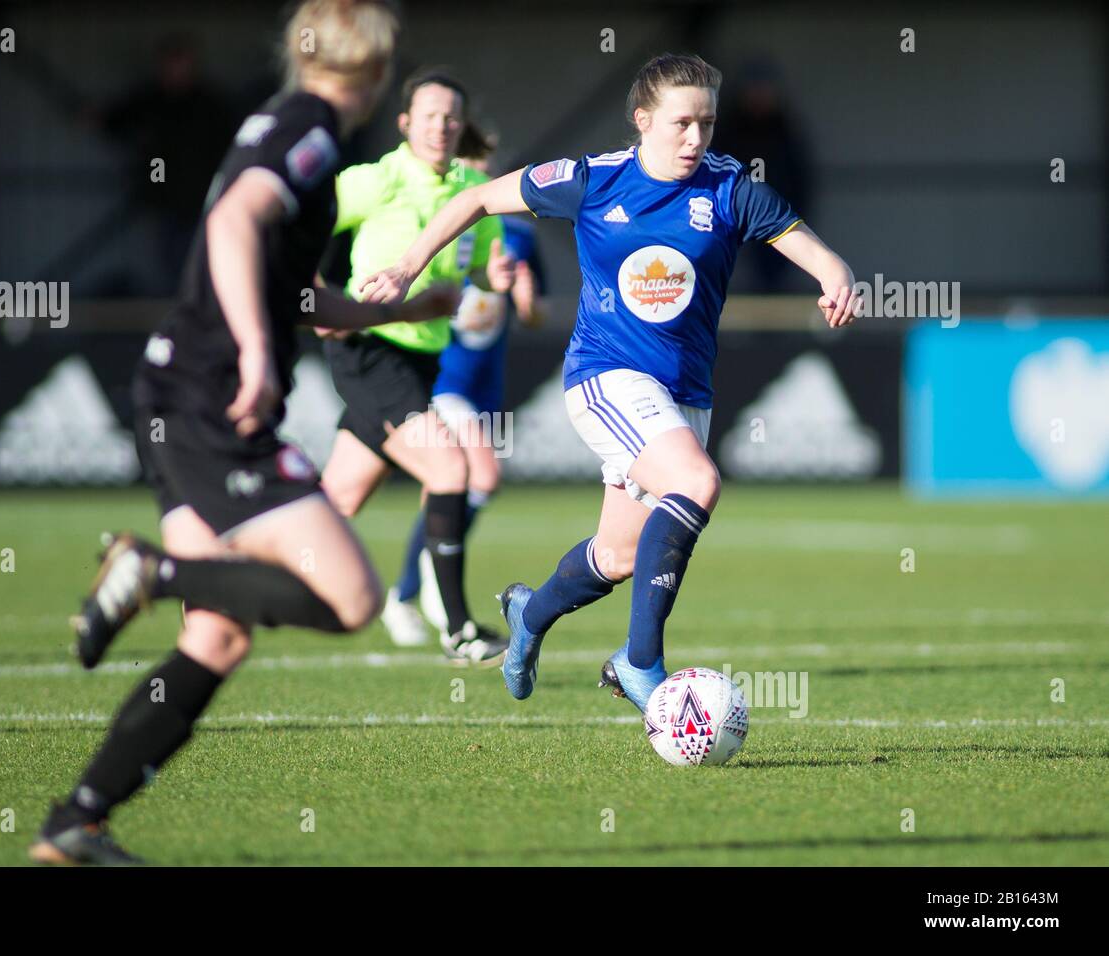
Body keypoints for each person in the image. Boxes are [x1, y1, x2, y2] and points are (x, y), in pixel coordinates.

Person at [28, 0, 454, 865]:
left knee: (216, 633)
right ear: (375, 74)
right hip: (212, 398)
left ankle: (76, 821)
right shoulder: (312, 130)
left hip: (174, 387)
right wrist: (259, 355)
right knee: (351, 599)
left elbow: (300, 296)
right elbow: (232, 223)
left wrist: (405, 306)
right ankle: (149, 570)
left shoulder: (281, 120)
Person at [359, 53, 860, 711]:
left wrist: (835, 275)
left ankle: (530, 616)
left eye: (706, 124)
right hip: (606, 377)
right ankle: (640, 662)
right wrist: (404, 267)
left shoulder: (730, 187)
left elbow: (805, 242)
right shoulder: (592, 180)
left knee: (618, 557)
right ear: (642, 119)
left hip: (684, 393)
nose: (695, 139)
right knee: (698, 482)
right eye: (681, 123)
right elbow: (478, 198)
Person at [318, 68, 516, 663]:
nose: (441, 126)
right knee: (451, 470)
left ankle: (214, 576)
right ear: (405, 123)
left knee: (335, 502)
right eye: (429, 115)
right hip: (369, 352)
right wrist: (319, 299)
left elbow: (478, 266)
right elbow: (293, 225)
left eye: (451, 117)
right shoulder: (374, 181)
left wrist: (493, 277)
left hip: (424, 360)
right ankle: (458, 628)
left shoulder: (473, 191)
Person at [381, 152, 547, 645]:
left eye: (482, 168)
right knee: (480, 475)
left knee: (447, 487)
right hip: (443, 378)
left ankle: (407, 591)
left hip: (485, 386)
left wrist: (524, 297)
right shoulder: (430, 226)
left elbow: (534, 316)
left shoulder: (518, 236)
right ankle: (432, 584)